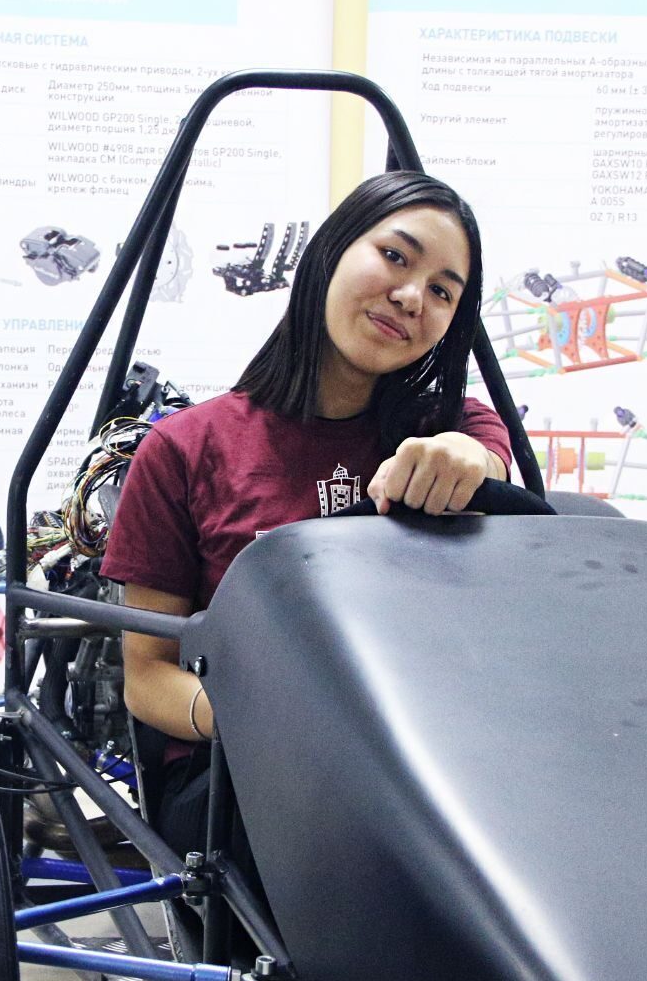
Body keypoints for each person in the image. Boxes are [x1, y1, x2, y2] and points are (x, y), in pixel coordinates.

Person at [99, 170, 514, 859]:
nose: (412, 296)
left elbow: (488, 457)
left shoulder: (451, 432)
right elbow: (147, 679)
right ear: (331, 252)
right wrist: (264, 720)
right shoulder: (185, 450)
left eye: (443, 291)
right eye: (395, 256)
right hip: (238, 774)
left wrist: (470, 461)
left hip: (421, 765)